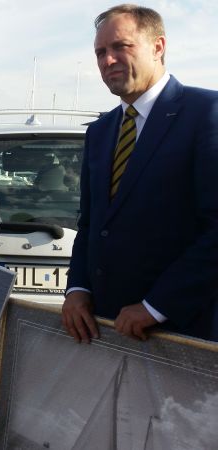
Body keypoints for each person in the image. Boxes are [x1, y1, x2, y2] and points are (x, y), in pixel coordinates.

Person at [62, 4, 218, 343]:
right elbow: (91, 224)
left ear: (158, 47)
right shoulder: (100, 131)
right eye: (100, 52)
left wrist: (156, 306)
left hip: (182, 333)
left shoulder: (207, 113)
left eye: (121, 46)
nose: (108, 60)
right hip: (104, 330)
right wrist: (77, 288)